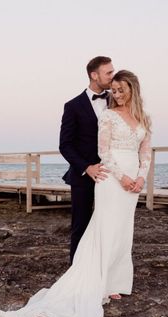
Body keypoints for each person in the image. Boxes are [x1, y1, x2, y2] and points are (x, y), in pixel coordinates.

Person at [0, 70, 152, 317]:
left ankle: (115, 281)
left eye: (120, 90)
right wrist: (123, 177)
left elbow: (146, 152)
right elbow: (103, 152)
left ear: (133, 89)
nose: (115, 95)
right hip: (111, 177)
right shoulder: (107, 115)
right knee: (103, 227)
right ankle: (98, 283)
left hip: (133, 181)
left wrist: (141, 176)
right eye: (113, 90)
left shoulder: (144, 118)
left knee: (122, 229)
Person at [59, 56, 115, 264]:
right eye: (108, 72)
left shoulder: (118, 100)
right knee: (80, 226)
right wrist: (86, 167)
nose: (112, 76)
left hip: (111, 174)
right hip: (83, 176)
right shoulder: (72, 106)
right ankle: (76, 274)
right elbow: (65, 145)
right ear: (94, 75)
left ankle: (105, 273)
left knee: (109, 226)